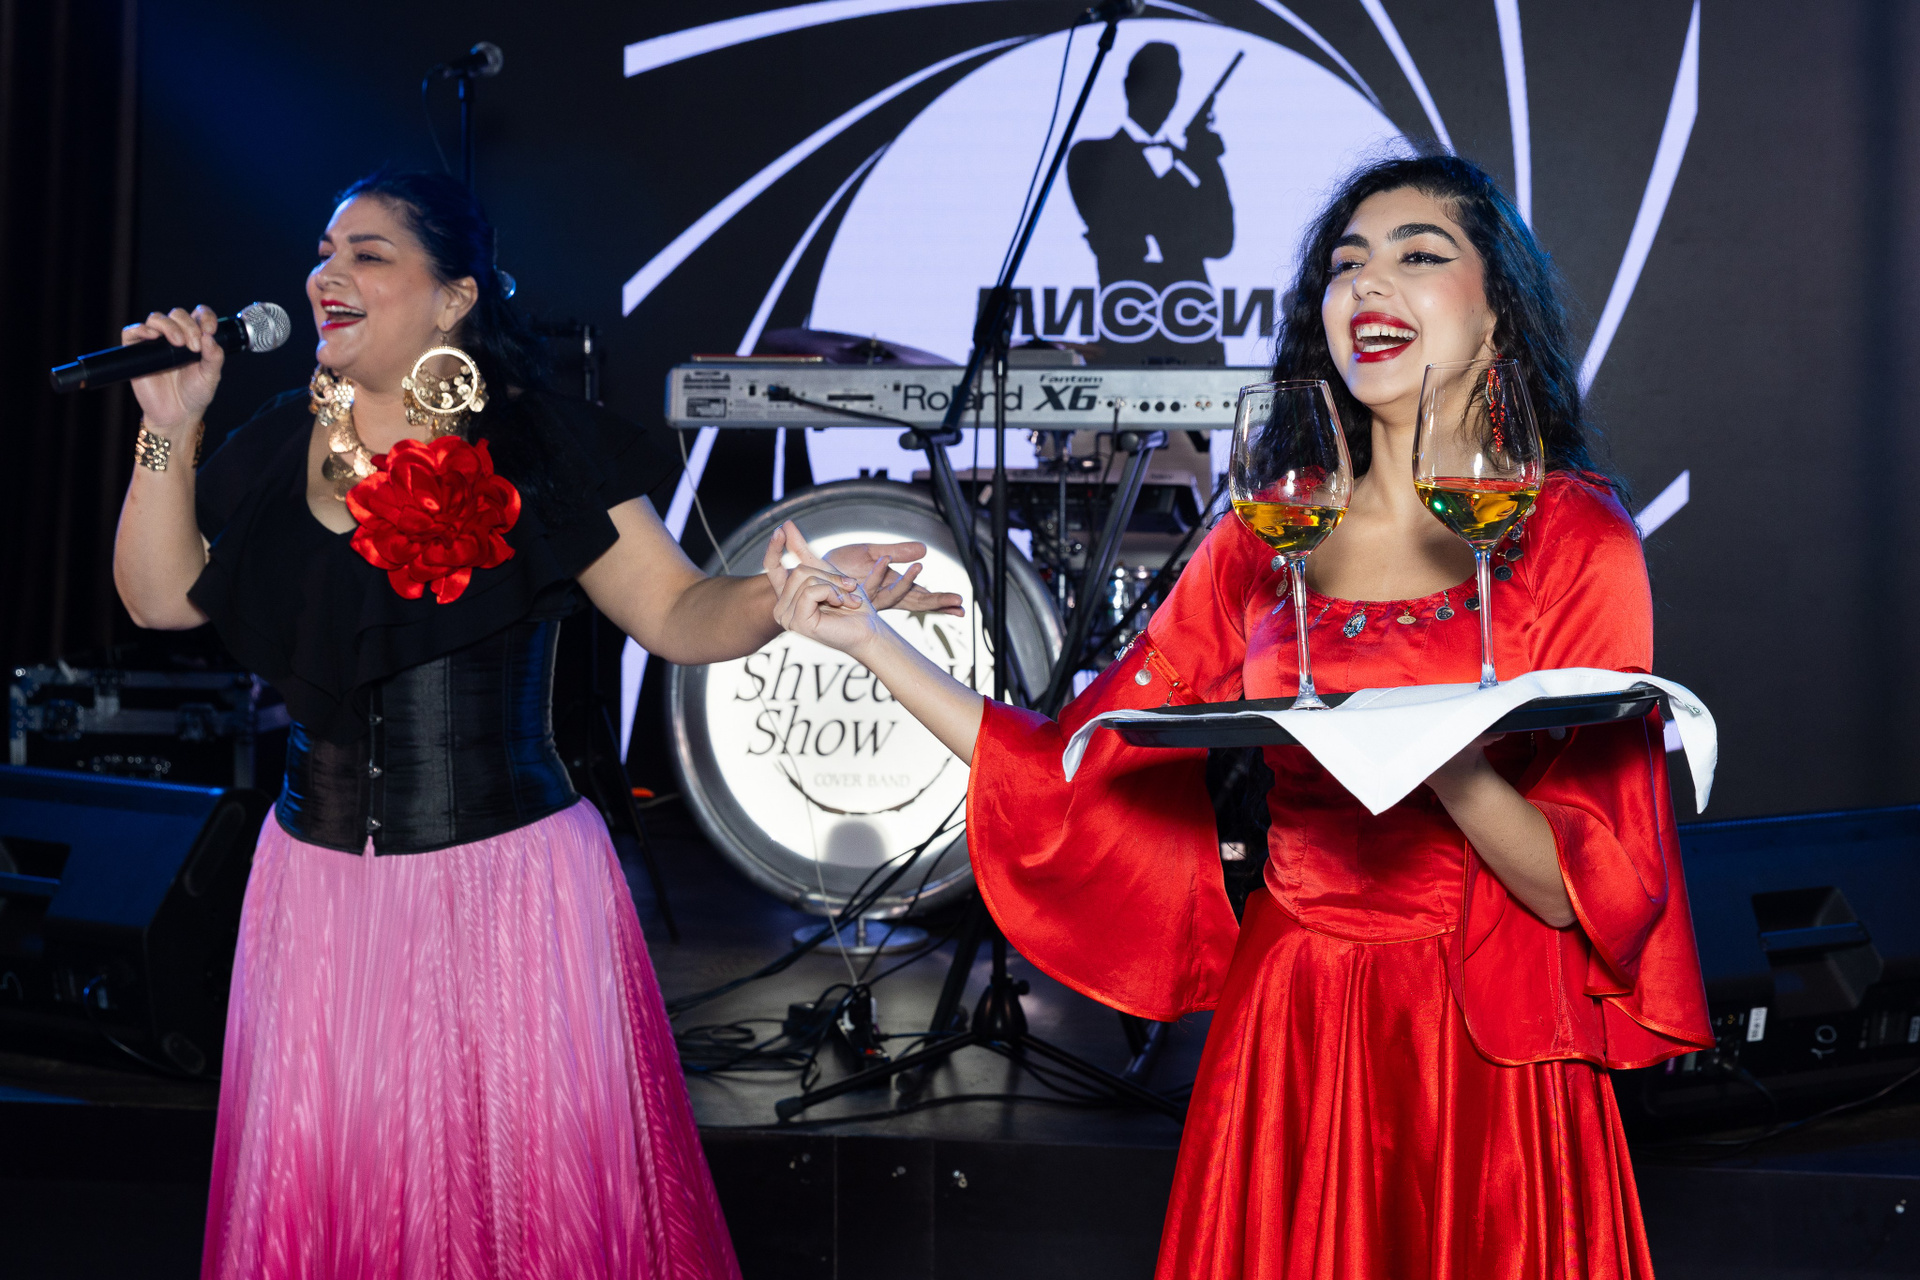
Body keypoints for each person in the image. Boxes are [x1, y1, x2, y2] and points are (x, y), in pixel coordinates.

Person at [770, 154, 1713, 1278]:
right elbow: (1076, 762)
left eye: (1419, 254)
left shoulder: (1572, 537)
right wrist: (869, 644)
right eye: (1346, 264)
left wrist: (1431, 748)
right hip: (1293, 1015)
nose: (1369, 283)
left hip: (1487, 1039)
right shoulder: (1267, 535)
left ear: (1498, 312)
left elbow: (1582, 889)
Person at [111, 169, 959, 1279]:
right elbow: (159, 599)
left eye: (368, 253)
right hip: (313, 891)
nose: (328, 274)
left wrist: (784, 596)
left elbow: (676, 611)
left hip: (501, 889)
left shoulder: (538, 441)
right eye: (323, 253)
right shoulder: (281, 441)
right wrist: (167, 428)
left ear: (455, 295)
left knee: (518, 1207)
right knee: (338, 1192)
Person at [1067, 41, 1235, 364]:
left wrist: (1207, 164)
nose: (1165, 97)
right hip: (1126, 324)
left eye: (1172, 87)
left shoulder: (1191, 160)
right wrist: (1185, 167)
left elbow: (1220, 242)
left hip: (1192, 326)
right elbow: (1125, 224)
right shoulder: (1091, 155)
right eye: (1155, 84)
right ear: (1128, 87)